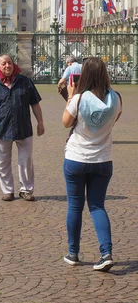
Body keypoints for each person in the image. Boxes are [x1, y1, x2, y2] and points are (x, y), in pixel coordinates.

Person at [62, 57, 122, 272]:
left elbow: (66, 122)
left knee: (75, 206)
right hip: (103, 160)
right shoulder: (116, 98)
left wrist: (70, 97)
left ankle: (73, 253)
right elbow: (113, 120)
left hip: (77, 158)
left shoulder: (79, 98)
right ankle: (106, 252)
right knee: (97, 206)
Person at [0, 54, 45, 202]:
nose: (7, 66)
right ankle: (8, 190)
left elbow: (35, 104)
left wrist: (40, 122)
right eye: (3, 64)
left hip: (23, 128)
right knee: (2, 162)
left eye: (9, 63)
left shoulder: (25, 82)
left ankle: (26, 190)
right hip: (1, 129)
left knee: (26, 161)